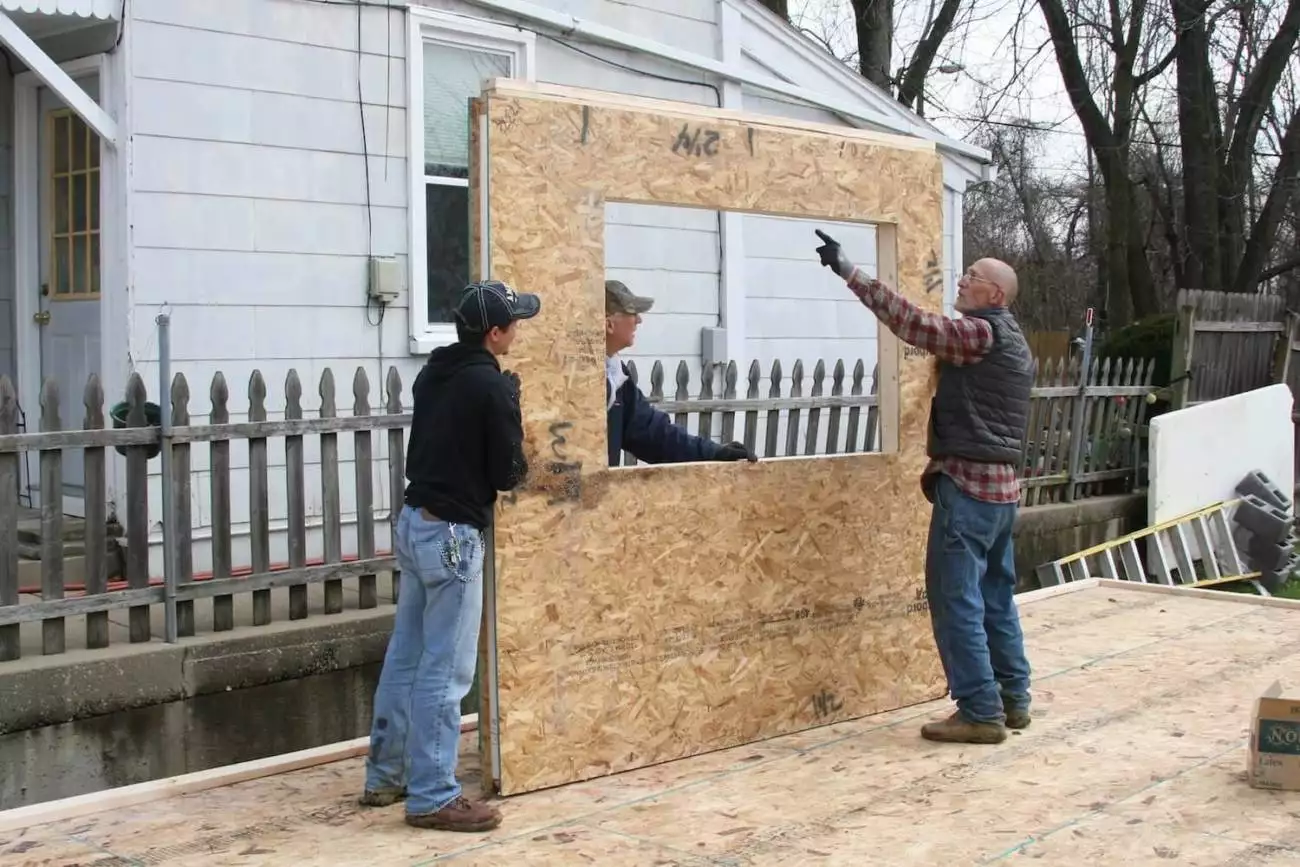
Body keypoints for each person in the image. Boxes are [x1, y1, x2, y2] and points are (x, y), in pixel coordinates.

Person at [813, 230, 1033, 746]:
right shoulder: (1017, 343)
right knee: (995, 597)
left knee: (957, 599)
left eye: (973, 277)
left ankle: (980, 711)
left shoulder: (982, 334)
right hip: (1002, 492)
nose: (963, 280)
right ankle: (1013, 699)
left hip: (970, 488)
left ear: (995, 296)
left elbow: (915, 325)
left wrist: (851, 271)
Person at [360, 279, 538, 831]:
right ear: (493, 332)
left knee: (406, 655)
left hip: (415, 524)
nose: (517, 330)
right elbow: (509, 475)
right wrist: (511, 407)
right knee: (447, 670)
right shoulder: (489, 387)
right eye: (514, 322)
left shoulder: (435, 370)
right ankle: (434, 795)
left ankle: (385, 776)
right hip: (456, 539)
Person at [604, 279, 757, 466]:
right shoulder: (571, 381)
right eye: (631, 312)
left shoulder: (617, 378)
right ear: (609, 324)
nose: (639, 320)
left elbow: (656, 436)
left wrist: (715, 452)